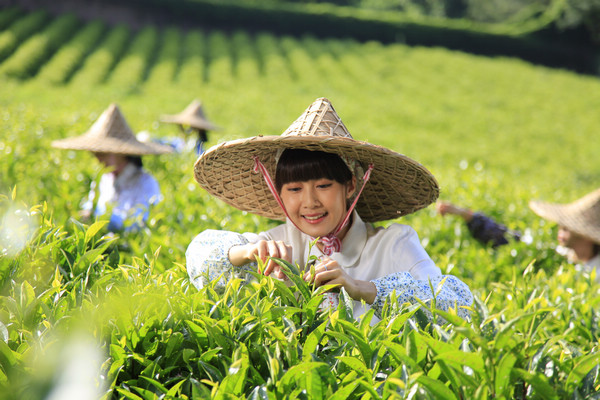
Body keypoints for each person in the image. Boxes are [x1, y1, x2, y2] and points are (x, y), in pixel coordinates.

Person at [186, 97, 473, 322]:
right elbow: (198, 256)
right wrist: (247, 253)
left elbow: (459, 304)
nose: (310, 202)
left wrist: (361, 288)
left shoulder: (393, 244)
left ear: (349, 186)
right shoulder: (277, 241)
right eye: (295, 189)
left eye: (323, 185)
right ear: (279, 194)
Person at [51, 103, 172, 232]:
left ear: (121, 153)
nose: (98, 159)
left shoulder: (146, 183)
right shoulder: (103, 179)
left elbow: (140, 223)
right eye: (95, 154)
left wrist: (105, 220)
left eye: (102, 154)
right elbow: (91, 206)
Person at [437, 189, 600, 280]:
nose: (561, 228)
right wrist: (465, 214)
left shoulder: (594, 276)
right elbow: (509, 239)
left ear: (587, 235)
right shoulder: (560, 256)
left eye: (568, 226)